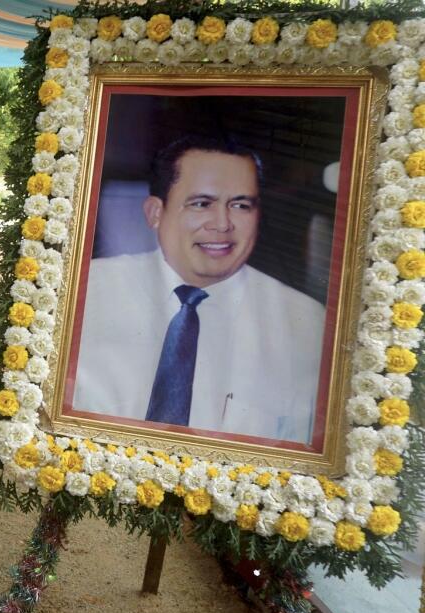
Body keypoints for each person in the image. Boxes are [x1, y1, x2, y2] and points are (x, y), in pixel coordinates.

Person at [72, 135, 325, 443]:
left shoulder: (305, 323)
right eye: (202, 203)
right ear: (155, 212)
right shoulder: (86, 290)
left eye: (241, 205)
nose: (222, 224)